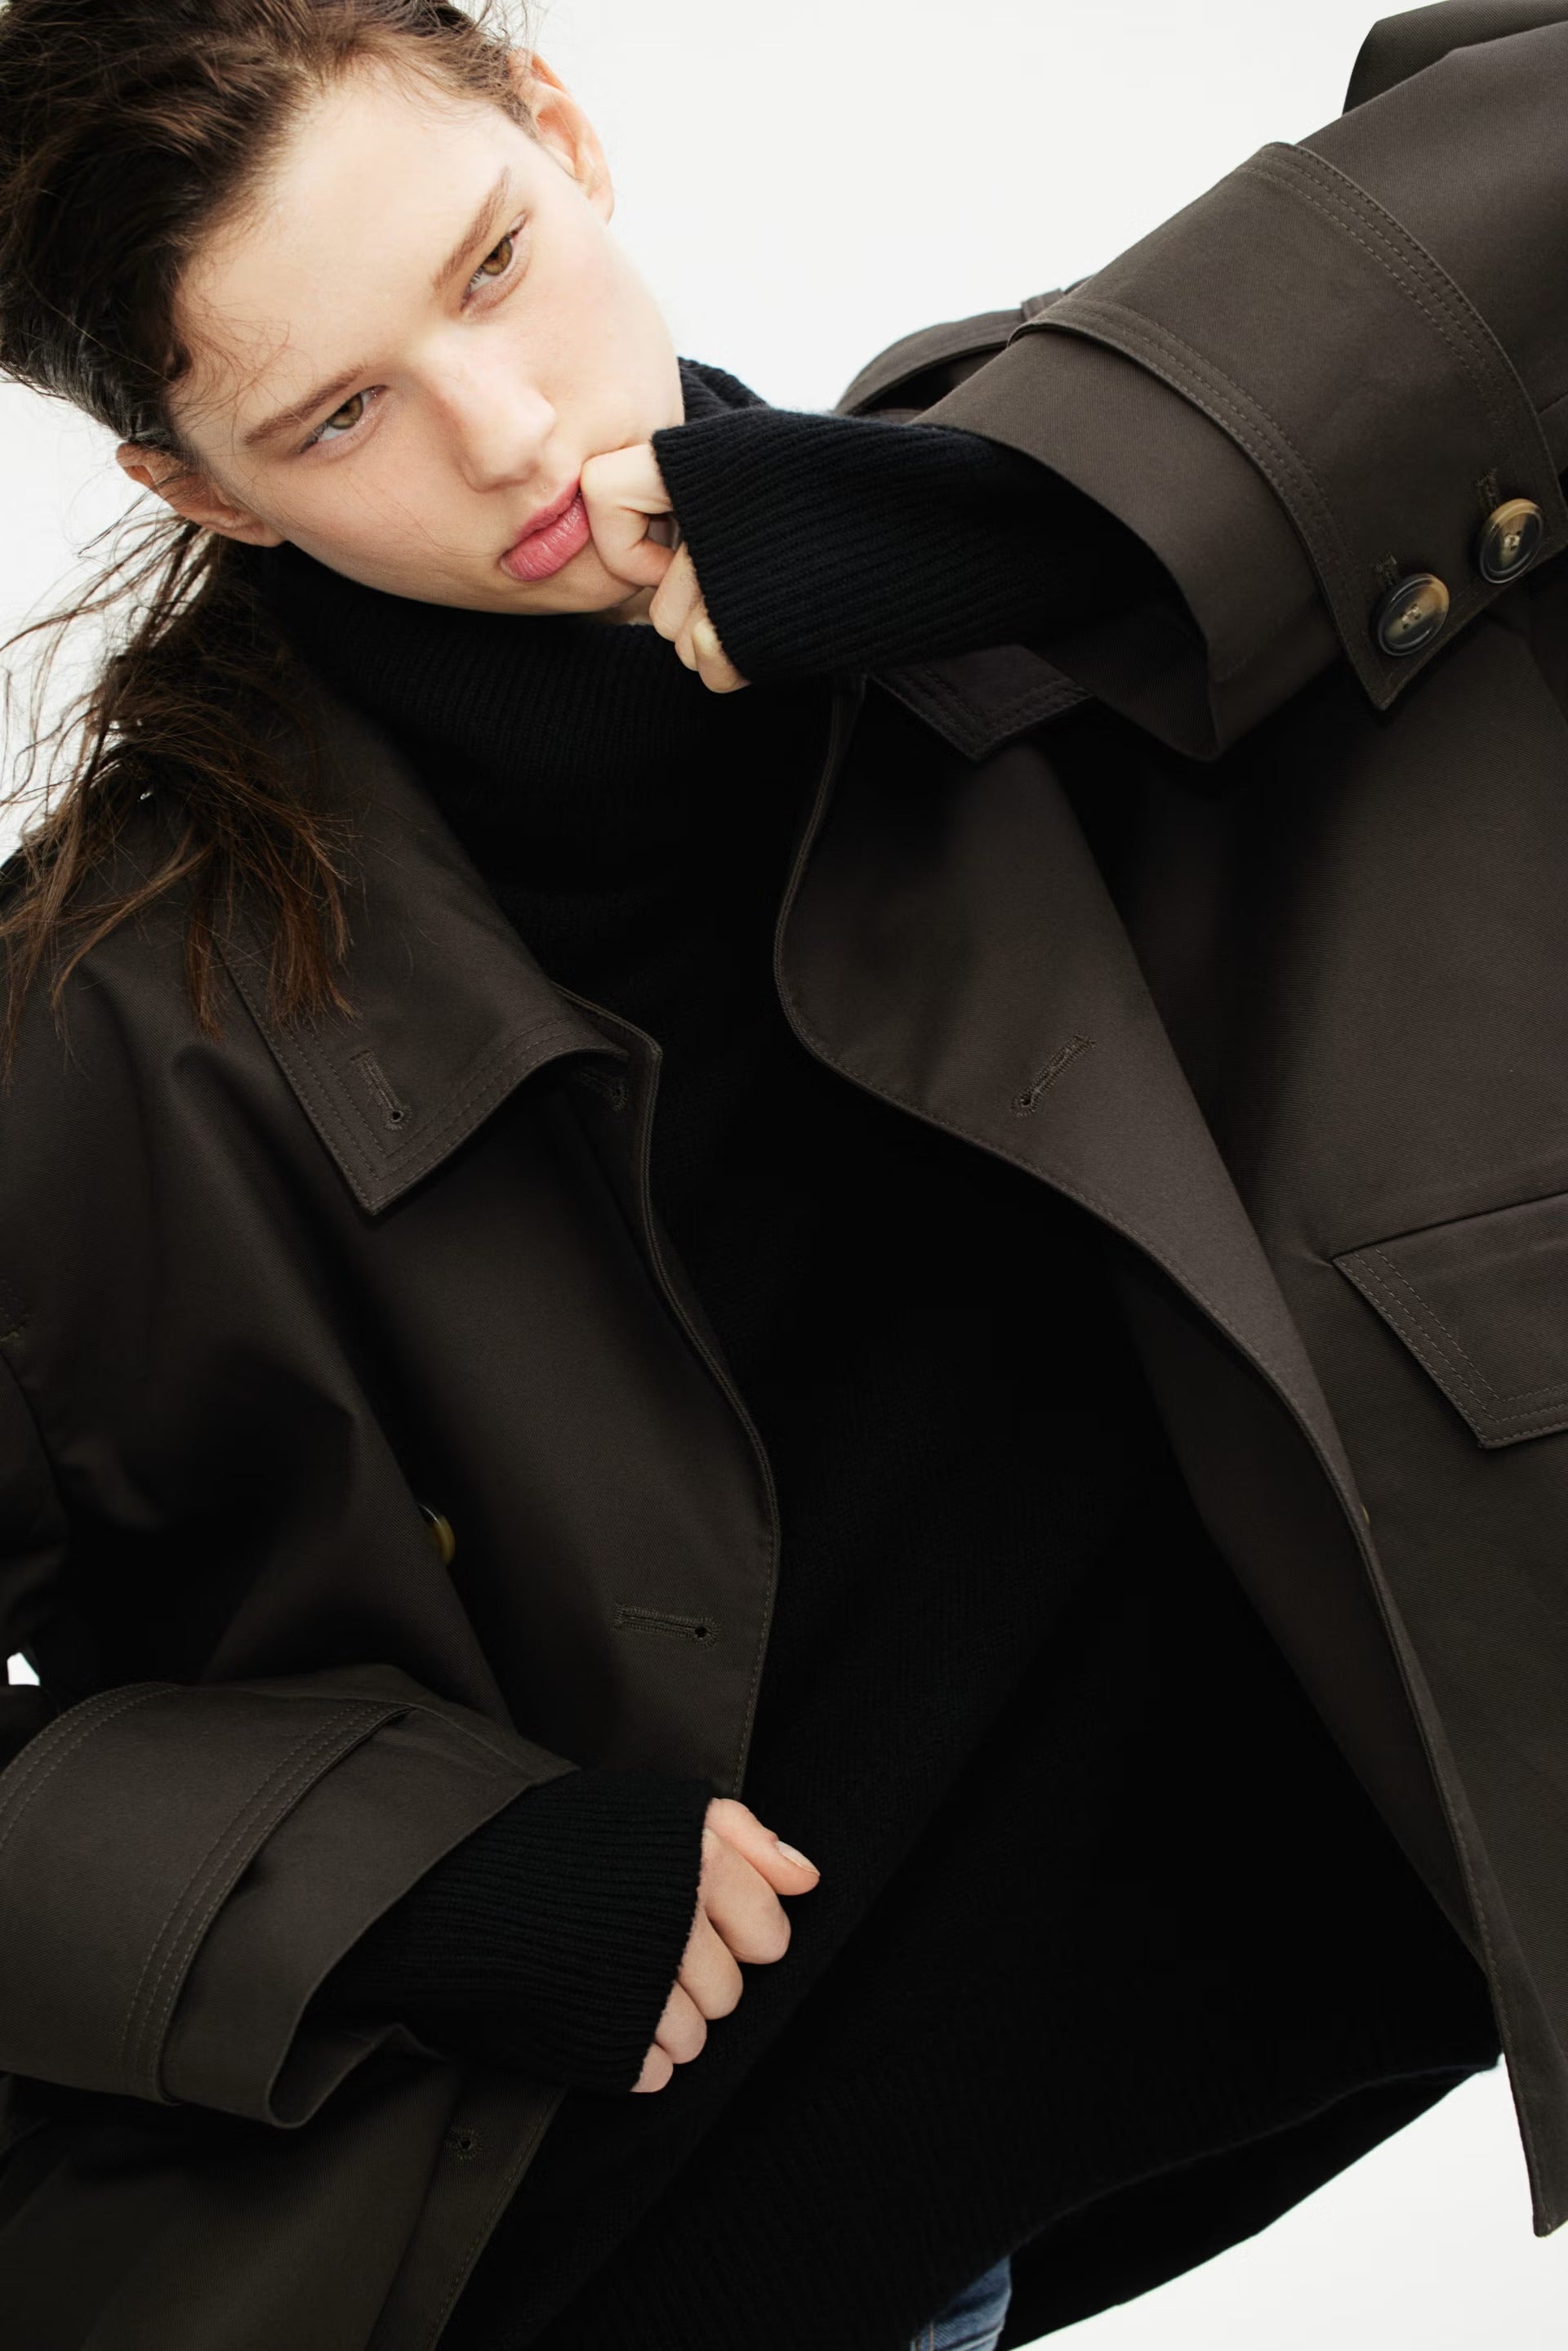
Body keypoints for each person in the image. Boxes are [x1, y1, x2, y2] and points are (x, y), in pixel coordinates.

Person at [0, 2, 1512, 2348]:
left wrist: (1039, 508)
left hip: (1127, 2105)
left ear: (563, 131)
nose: (509, 435)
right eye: (336, 414)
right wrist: (384, 1878)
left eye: (494, 267)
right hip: (613, 2256)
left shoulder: (1060, 568)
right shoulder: (106, 1014)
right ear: (202, 494)